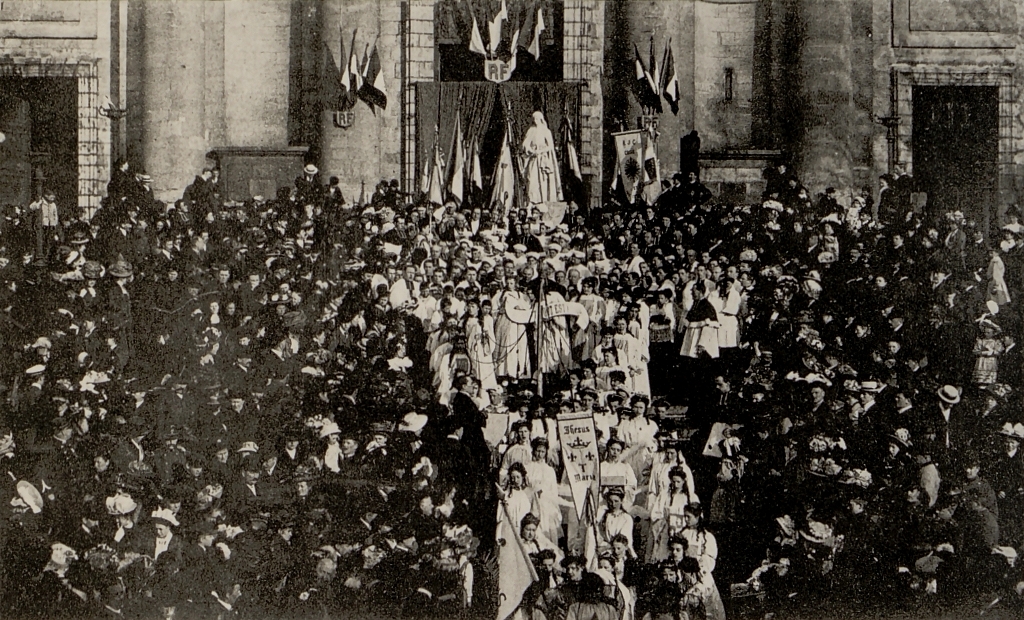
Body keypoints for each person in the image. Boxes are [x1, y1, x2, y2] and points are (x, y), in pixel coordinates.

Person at [521, 111, 563, 205]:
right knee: (531, 179)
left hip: (543, 160)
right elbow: (525, 144)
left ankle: (543, 201)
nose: (535, 121)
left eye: (536, 118)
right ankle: (531, 201)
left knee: (543, 182)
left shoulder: (546, 131)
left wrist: (540, 151)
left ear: (540, 119)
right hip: (533, 158)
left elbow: (550, 146)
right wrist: (531, 150)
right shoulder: (531, 130)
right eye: (534, 119)